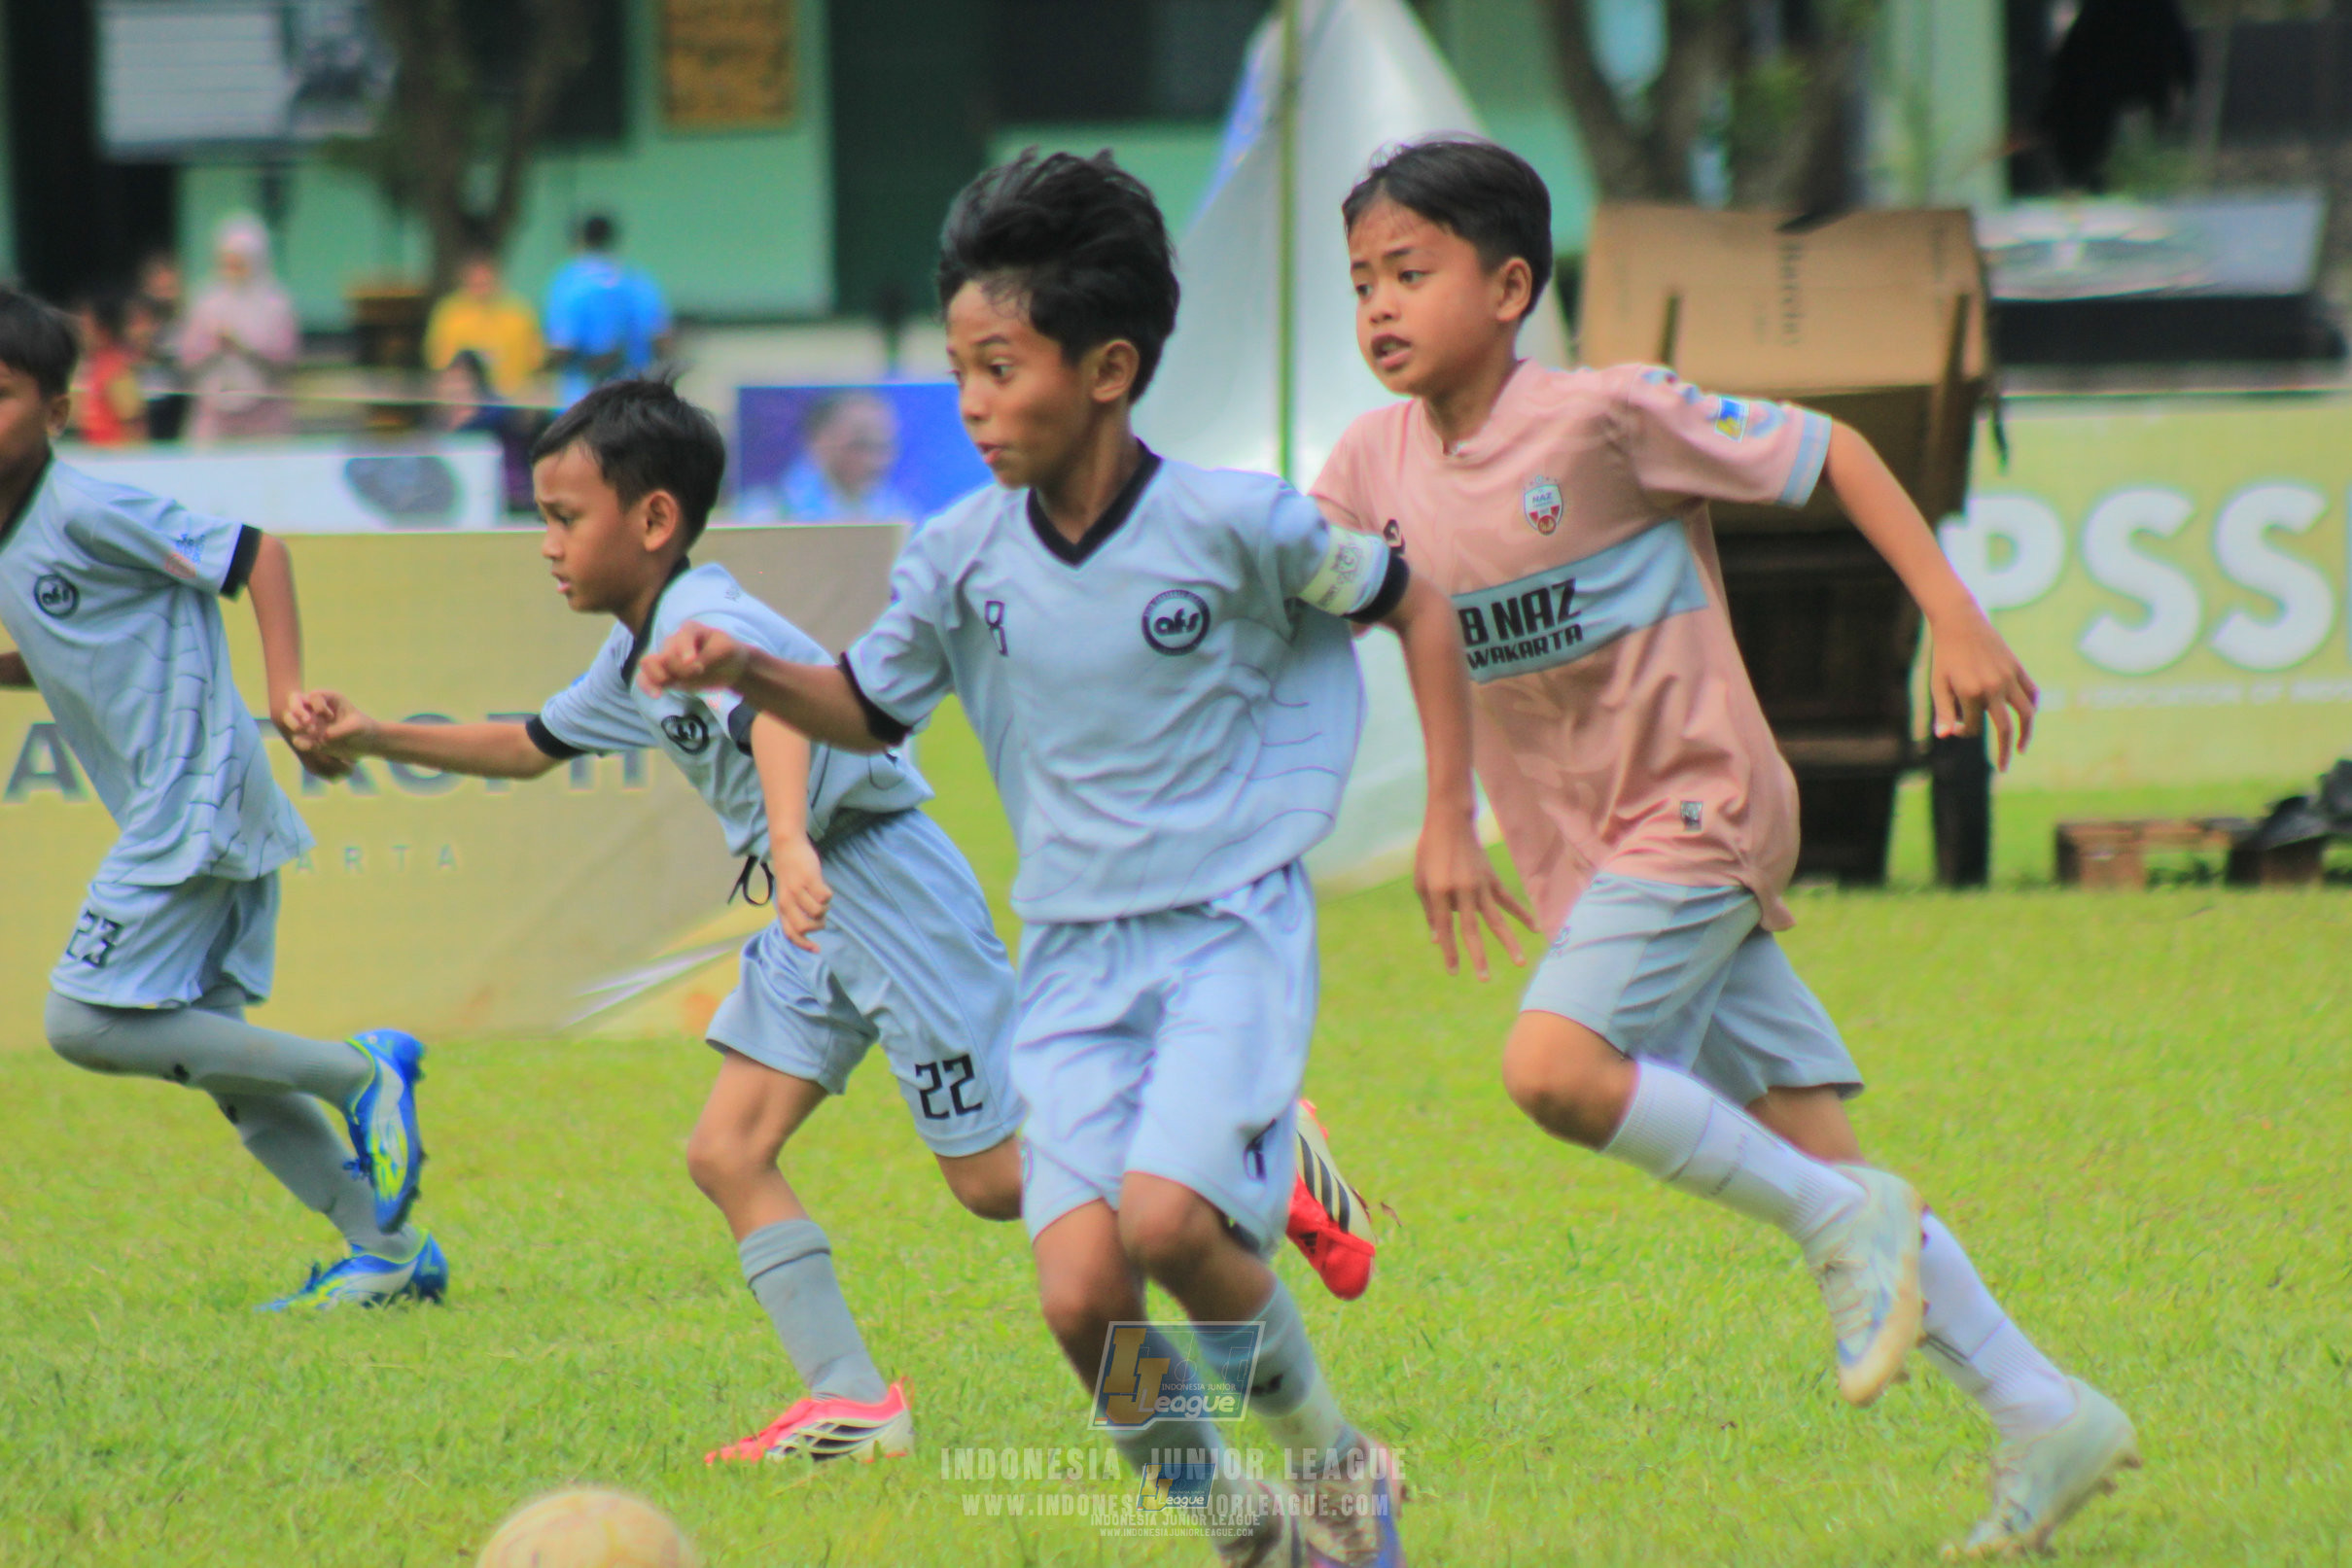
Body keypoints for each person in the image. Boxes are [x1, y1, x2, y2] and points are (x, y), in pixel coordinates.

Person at [639, 151, 1526, 1568]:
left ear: (1108, 368)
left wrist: (1442, 821)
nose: (975, 403)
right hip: (1069, 960)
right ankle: (1249, 1535)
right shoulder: (953, 558)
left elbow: (1415, 609)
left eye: (1002, 368)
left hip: (1226, 935)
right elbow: (864, 706)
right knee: (1074, 1300)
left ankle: (1332, 1472)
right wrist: (745, 661)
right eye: (959, 370)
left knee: (1171, 1221)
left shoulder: (1234, 525)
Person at [1310, 137, 2139, 1558]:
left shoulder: (1606, 416)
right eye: (1358, 282)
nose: (1377, 305)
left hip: (1697, 811)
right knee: (1818, 1156)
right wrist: (1436, 804)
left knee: (1551, 1068)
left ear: (1509, 287)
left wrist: (1950, 613)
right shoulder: (1365, 463)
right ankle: (2041, 1410)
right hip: (1597, 863)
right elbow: (1365, 611)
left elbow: (1839, 452)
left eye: (1408, 271)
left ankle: (1842, 1226)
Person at [289, 376, 1029, 1463]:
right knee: (727, 1149)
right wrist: (373, 735)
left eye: (562, 515)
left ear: (652, 519)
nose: (545, 542)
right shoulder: (637, 647)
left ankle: (1229, 1137)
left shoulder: (698, 618)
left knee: (996, 1183)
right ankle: (853, 1405)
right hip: (820, 908)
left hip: (882, 886)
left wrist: (786, 841)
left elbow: (775, 709)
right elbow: (532, 744)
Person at [0, 287, 434, 1309]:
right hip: (187, 798)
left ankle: (360, 1073)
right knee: (227, 1063)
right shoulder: (16, 532)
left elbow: (256, 554)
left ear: (57, 412)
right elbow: (77, 648)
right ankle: (388, 1251)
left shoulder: (84, 504)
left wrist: (286, 693)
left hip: (191, 796)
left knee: (80, 1020)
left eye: (2, 392)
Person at [180, 214, 299, 443]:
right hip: (215, 415)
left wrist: (245, 346)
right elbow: (188, 357)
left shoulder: (275, 304)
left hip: (265, 417)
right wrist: (215, 345)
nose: (233, 267)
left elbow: (286, 358)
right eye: (228, 260)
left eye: (240, 261)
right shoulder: (206, 301)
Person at [543, 213, 670, 410]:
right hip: (634, 398)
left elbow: (563, 347)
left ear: (581, 238)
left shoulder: (570, 281)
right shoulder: (636, 279)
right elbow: (661, 340)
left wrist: (535, 373)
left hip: (582, 401)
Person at [424, 249, 544, 399]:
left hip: (513, 403)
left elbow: (536, 361)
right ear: (464, 279)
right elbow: (440, 362)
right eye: (476, 281)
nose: (481, 287)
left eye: (486, 281)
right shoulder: (449, 314)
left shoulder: (519, 313)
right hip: (467, 405)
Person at [781, 390, 915, 521]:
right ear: (819, 441)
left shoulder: (901, 515)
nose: (875, 461)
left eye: (884, 447)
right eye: (861, 444)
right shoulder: (772, 513)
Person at [71, 292, 148, 447]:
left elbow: (133, 424)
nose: (80, 332)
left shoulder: (116, 370)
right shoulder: (89, 367)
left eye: (85, 326)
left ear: (103, 331)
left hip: (113, 459)